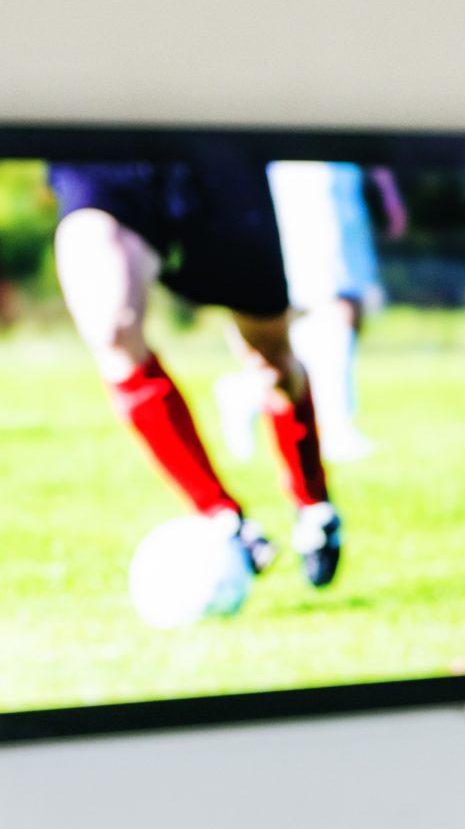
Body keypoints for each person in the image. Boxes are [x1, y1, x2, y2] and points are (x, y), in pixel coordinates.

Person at [49, 152, 343, 594]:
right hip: (99, 157)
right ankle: (225, 520)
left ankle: (313, 504)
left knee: (271, 361)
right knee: (110, 328)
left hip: (210, 162)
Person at [218, 159, 403, 465]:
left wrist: (384, 181)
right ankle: (334, 427)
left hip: (342, 173)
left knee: (345, 307)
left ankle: (248, 391)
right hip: (309, 172)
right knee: (334, 304)